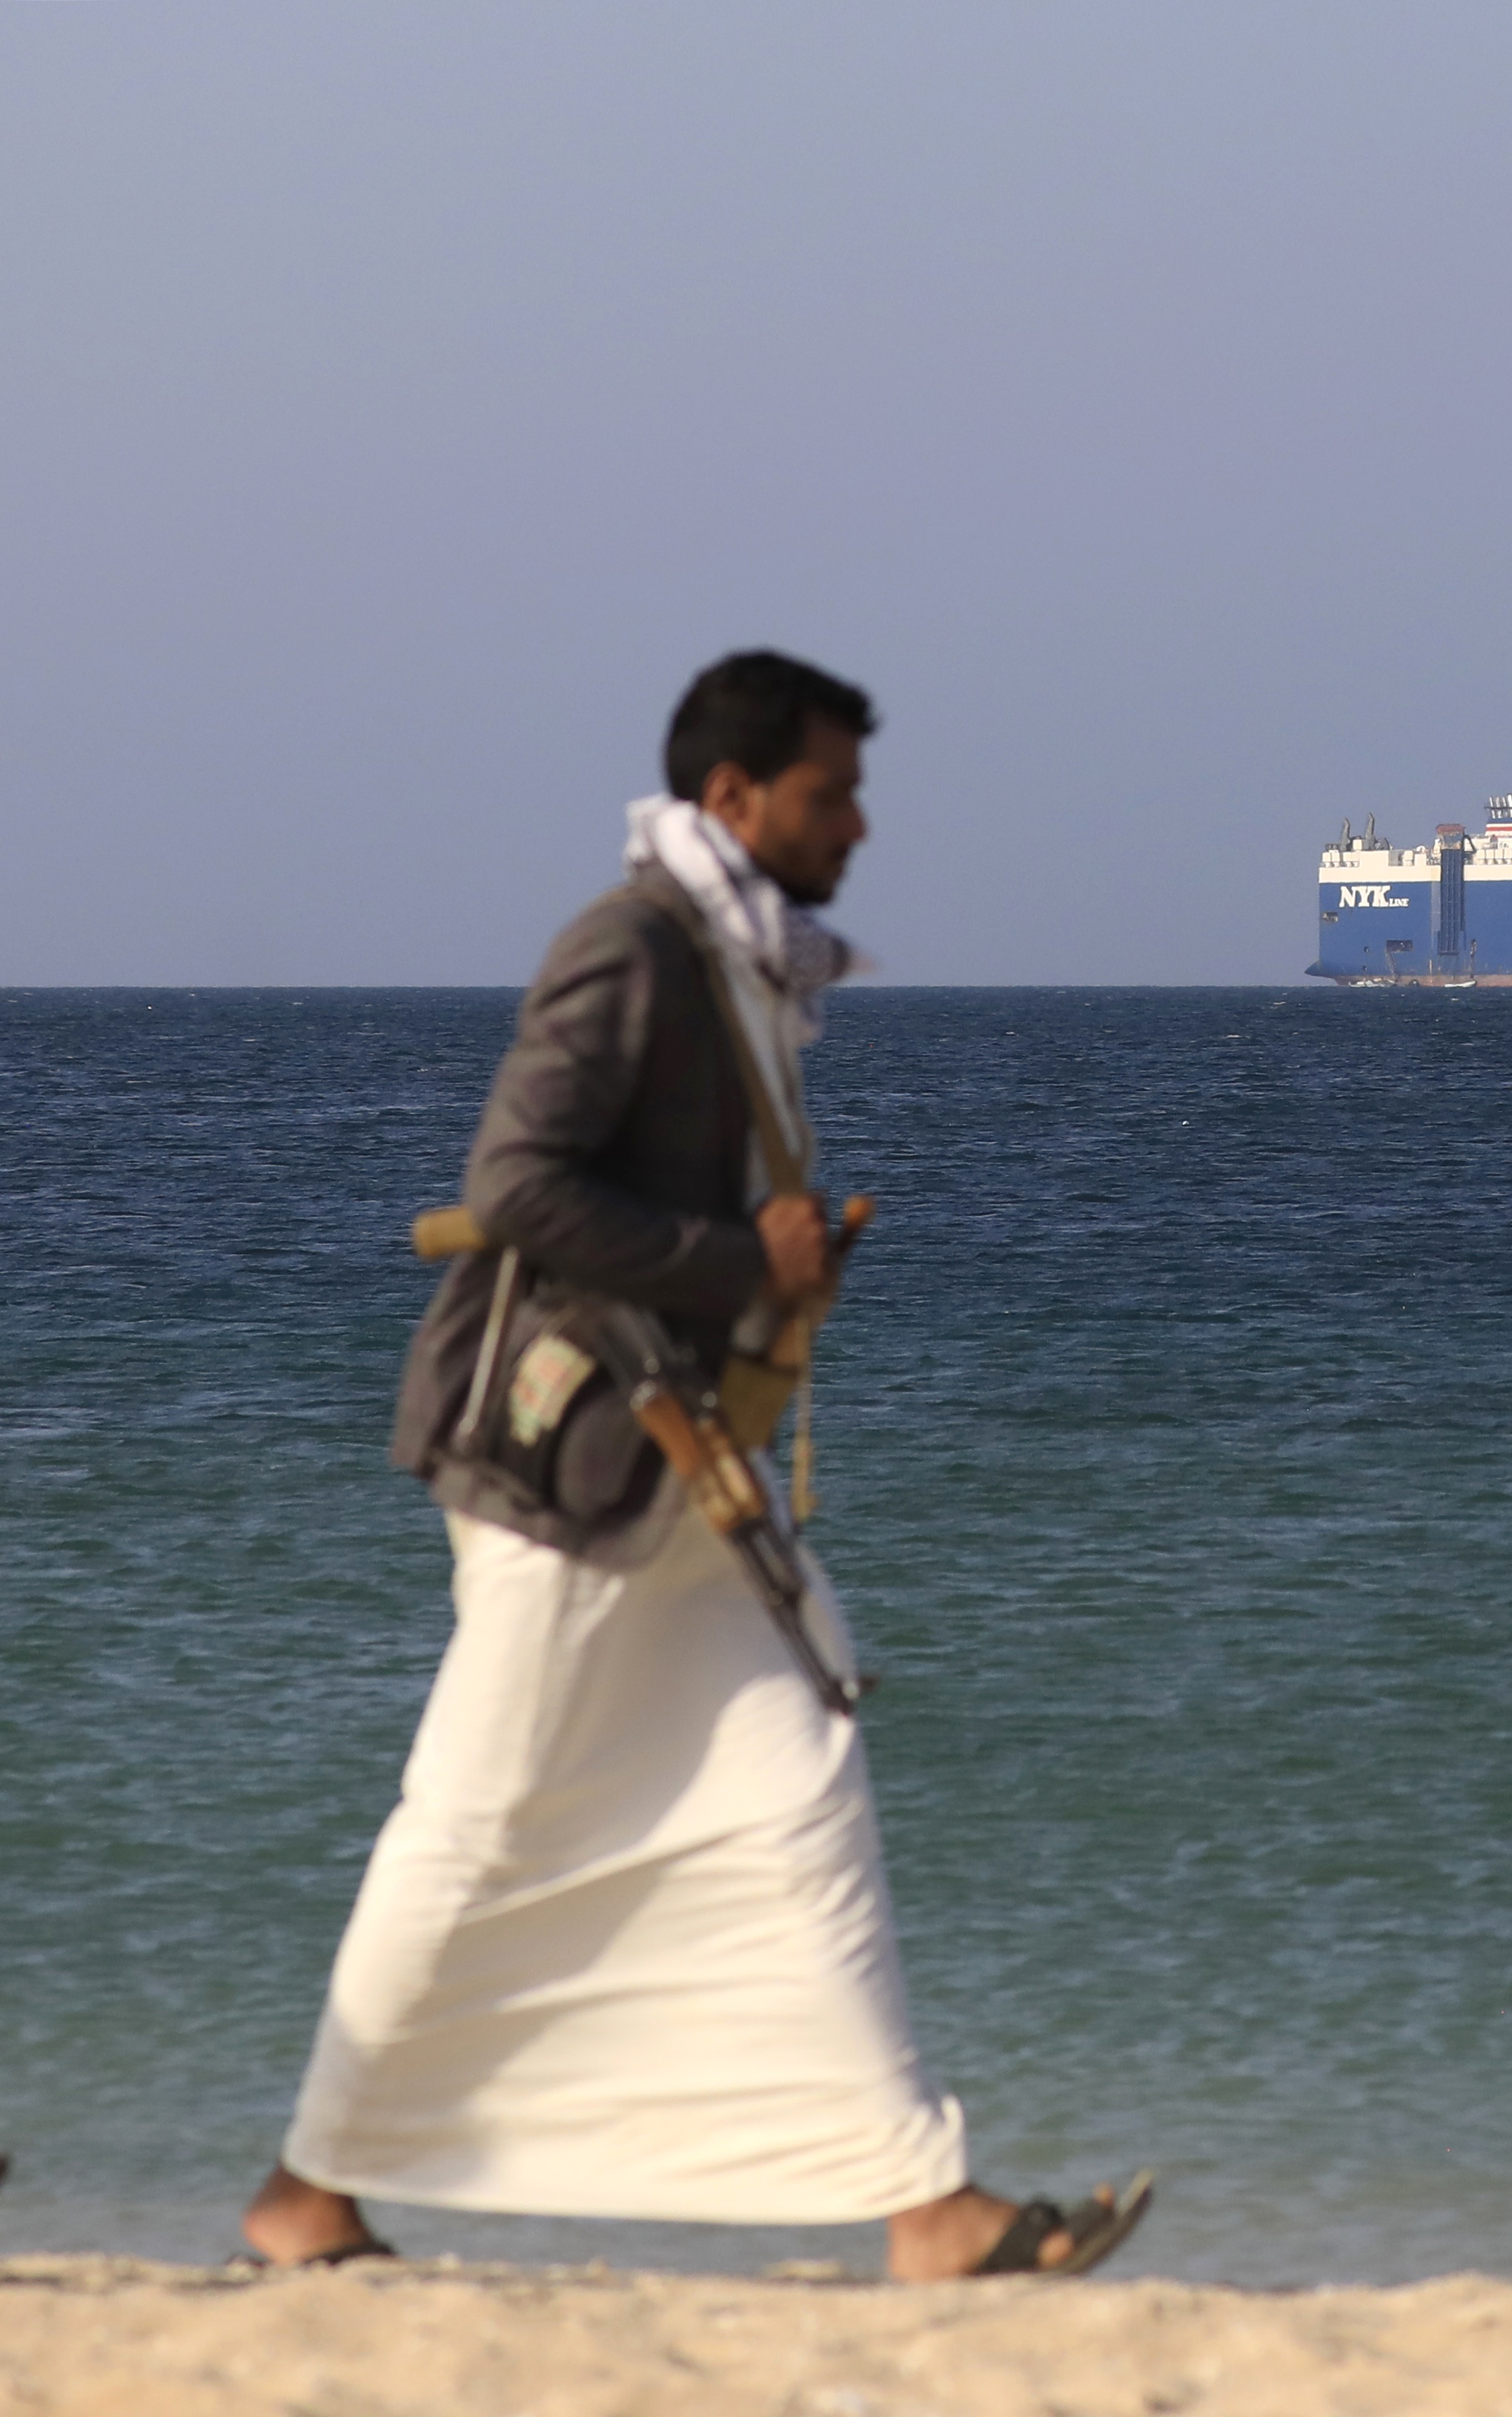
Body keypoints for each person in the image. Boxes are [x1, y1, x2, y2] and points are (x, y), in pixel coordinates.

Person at [240, 651, 1148, 2281]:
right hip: (575, 1461)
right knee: (476, 1815)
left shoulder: (739, 963)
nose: (858, 824)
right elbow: (516, 1186)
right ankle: (306, 2194)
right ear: (734, 800)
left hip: (678, 1465)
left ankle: (920, 2200)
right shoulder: (633, 951)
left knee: (800, 1765)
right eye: (829, 792)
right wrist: (740, 1257)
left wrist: (765, 1267)